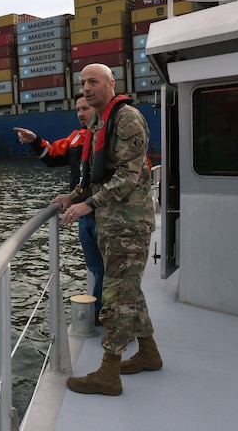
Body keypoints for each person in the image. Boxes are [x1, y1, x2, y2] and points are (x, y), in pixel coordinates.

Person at [55, 63, 160, 396]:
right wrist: (72, 196)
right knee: (129, 290)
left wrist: (89, 204)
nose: (86, 88)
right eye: (83, 82)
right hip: (113, 224)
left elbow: (128, 176)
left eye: (93, 81)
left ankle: (109, 373)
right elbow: (96, 174)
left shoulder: (127, 118)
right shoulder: (100, 121)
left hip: (129, 223)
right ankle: (148, 354)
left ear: (111, 84)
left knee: (114, 295)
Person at [13, 95, 104, 324]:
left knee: (111, 269)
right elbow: (52, 155)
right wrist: (35, 140)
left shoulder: (112, 135)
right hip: (84, 216)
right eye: (78, 109)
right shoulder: (75, 138)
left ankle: (108, 316)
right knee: (95, 268)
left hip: (107, 214)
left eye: (86, 108)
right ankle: (100, 313)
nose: (80, 113)